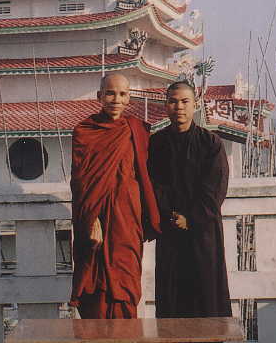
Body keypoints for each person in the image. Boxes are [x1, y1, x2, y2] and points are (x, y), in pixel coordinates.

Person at [69, 73, 161, 318]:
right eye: (110, 93)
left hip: (128, 216)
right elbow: (80, 183)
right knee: (96, 276)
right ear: (100, 96)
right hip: (96, 215)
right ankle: (97, 338)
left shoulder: (136, 129)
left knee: (126, 272)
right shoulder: (85, 132)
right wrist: (91, 220)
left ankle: (125, 336)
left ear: (129, 98)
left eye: (122, 94)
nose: (115, 99)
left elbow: (145, 172)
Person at [149, 80, 232, 318]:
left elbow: (215, 189)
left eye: (185, 102)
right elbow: (151, 184)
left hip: (203, 231)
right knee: (171, 293)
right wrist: (170, 214)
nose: (179, 107)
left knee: (205, 291)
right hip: (170, 228)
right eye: (173, 102)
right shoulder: (156, 144)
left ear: (195, 105)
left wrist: (191, 218)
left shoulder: (210, 143)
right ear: (165, 106)